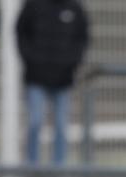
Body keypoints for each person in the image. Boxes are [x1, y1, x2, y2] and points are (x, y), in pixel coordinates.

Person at [16, 0, 89, 166]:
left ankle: (59, 168)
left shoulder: (74, 8)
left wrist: (71, 63)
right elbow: (21, 33)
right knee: (35, 122)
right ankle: (32, 167)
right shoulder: (33, 6)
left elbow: (82, 38)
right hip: (36, 77)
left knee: (61, 126)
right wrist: (31, 60)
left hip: (63, 79)